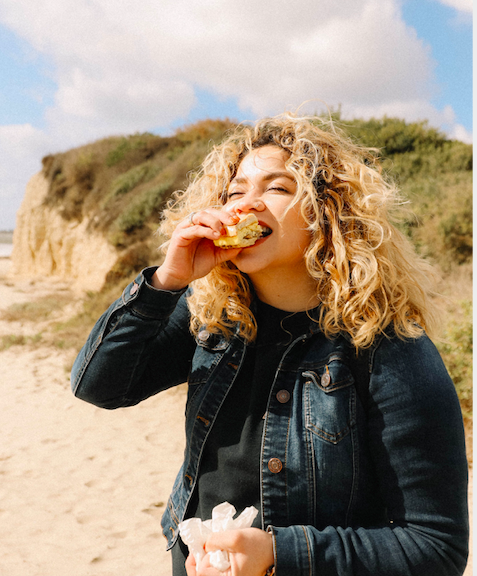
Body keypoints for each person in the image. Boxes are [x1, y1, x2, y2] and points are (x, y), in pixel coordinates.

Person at [71, 112, 469, 576]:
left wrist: (280, 554)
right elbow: (99, 386)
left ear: (328, 210)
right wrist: (166, 281)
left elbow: (435, 547)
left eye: (277, 188)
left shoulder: (388, 349)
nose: (247, 204)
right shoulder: (211, 317)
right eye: (236, 191)